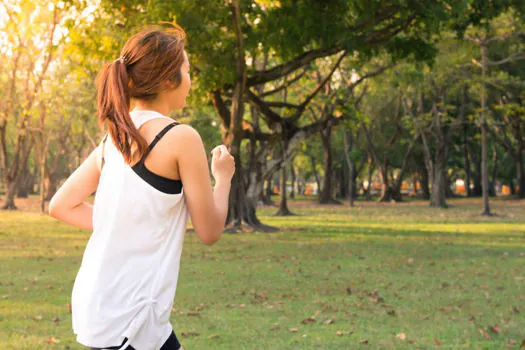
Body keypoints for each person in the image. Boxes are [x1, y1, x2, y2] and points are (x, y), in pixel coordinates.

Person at [49, 26, 235, 350]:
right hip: (132, 318)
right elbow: (209, 231)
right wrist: (223, 178)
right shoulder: (181, 138)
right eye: (187, 71)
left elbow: (61, 206)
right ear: (167, 78)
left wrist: (123, 224)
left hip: (100, 305)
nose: (191, 80)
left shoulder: (114, 138)